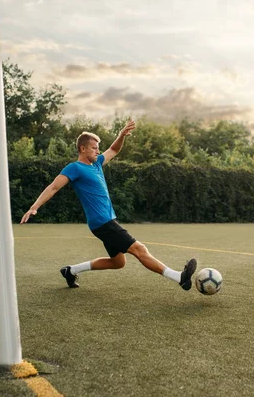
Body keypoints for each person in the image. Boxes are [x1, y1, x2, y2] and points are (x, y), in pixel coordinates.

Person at [20, 119, 197, 290]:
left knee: (118, 262)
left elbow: (113, 149)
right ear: (82, 148)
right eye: (94, 148)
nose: (97, 151)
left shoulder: (96, 164)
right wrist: (34, 207)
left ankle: (70, 271)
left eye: (98, 148)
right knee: (139, 249)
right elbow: (53, 187)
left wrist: (121, 135)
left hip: (106, 221)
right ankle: (179, 277)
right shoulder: (74, 168)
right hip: (102, 222)